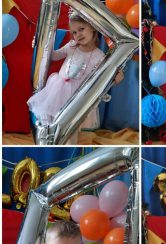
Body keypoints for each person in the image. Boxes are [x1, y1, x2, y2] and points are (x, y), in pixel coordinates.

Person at [27, 11, 123, 144]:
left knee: (71, 127)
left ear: (92, 27)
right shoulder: (71, 46)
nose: (78, 35)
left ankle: (67, 145)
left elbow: (106, 76)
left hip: (78, 97)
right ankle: (51, 144)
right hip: (58, 90)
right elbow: (54, 56)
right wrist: (41, 46)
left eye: (81, 29)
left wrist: (116, 76)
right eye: (74, 32)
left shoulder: (99, 56)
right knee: (52, 122)